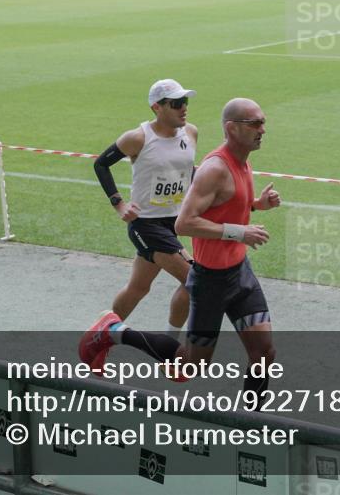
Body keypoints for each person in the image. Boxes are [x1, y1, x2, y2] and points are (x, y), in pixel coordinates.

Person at [80, 98, 280, 399]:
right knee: (187, 367)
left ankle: (251, 429)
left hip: (241, 275)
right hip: (210, 281)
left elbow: (226, 205)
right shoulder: (215, 168)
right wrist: (240, 233)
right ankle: (114, 331)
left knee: (264, 355)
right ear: (231, 128)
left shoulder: (244, 162)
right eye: (255, 123)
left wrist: (257, 206)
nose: (263, 129)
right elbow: (184, 224)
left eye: (263, 122)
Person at [92, 79, 198, 334]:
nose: (184, 108)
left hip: (174, 223)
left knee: (138, 288)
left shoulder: (191, 133)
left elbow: (187, 172)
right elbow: (101, 164)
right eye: (176, 103)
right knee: (195, 281)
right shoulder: (138, 138)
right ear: (156, 108)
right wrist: (119, 204)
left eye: (185, 102)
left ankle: (99, 337)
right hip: (146, 225)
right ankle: (171, 347)